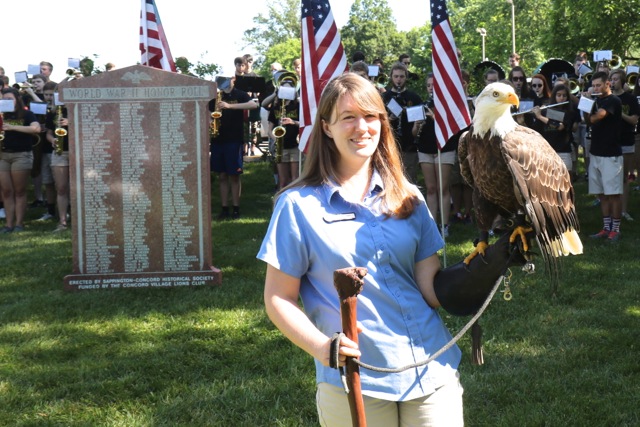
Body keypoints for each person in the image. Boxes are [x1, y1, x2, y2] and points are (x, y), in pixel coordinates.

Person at [257, 73, 526, 426]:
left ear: (383, 123)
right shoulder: (297, 205)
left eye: (371, 116)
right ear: (326, 127)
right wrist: (324, 348)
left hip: (431, 368)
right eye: (347, 117)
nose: (361, 127)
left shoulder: (408, 197)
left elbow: (430, 289)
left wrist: (487, 266)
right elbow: (278, 298)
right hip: (356, 376)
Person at [209, 76, 258, 220]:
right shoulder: (216, 95)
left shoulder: (239, 94)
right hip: (218, 139)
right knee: (222, 175)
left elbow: (253, 105)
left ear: (232, 80)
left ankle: (236, 208)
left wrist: (229, 106)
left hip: (234, 139)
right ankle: (224, 208)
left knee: (234, 175)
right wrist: (212, 120)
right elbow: (208, 111)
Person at [413, 73, 455, 237]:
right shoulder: (421, 106)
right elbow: (414, 134)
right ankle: (432, 226)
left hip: (444, 149)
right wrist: (417, 125)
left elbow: (452, 128)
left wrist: (436, 117)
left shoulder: (446, 107)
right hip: (425, 150)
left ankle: (444, 225)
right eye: (429, 85)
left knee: (443, 188)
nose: (431, 88)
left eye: (434, 85)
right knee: (431, 189)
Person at [584, 71, 624, 241]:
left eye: (598, 85)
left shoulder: (613, 101)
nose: (595, 88)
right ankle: (605, 228)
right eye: (593, 86)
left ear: (608, 84)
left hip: (611, 155)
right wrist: (585, 103)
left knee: (613, 194)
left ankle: (615, 229)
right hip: (596, 153)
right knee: (601, 194)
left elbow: (596, 117)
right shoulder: (597, 100)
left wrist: (586, 102)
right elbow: (587, 120)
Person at [0, 87, 41, 233]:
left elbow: (35, 129)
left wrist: (12, 127)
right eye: (4, 99)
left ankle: (19, 223)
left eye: (9, 99)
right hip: (2, 155)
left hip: (21, 155)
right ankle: (8, 225)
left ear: (17, 99)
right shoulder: (1, 115)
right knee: (6, 191)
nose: (6, 102)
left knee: (19, 191)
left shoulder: (27, 114)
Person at [382, 62, 422, 183]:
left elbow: (419, 127)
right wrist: (388, 120)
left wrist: (416, 126)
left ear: (406, 77)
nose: (399, 79)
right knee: (389, 182)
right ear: (391, 77)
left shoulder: (414, 97)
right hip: (388, 147)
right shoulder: (384, 97)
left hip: (408, 148)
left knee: (409, 182)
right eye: (396, 76)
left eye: (401, 76)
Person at [609, 68, 640, 221]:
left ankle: (623, 210)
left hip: (626, 141)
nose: (613, 82)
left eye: (615, 79)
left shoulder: (630, 99)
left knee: (624, 179)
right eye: (611, 79)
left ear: (622, 81)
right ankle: (610, 212)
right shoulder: (606, 98)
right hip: (609, 142)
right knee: (609, 178)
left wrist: (619, 112)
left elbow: (634, 120)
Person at [532, 84, 578, 177]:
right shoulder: (546, 110)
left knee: (567, 181)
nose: (561, 98)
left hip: (563, 151)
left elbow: (559, 126)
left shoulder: (569, 112)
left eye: (564, 95)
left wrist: (540, 116)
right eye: (559, 95)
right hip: (547, 152)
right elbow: (535, 129)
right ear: (554, 96)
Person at [43, 82, 70, 232]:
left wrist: (70, 122)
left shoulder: (78, 109)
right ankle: (62, 221)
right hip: (60, 151)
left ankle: (80, 218)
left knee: (78, 188)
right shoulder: (53, 112)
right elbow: (48, 133)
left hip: (76, 151)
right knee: (61, 188)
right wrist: (52, 140)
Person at [268, 77, 300, 190]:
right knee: (282, 182)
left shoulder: (298, 105)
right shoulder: (275, 107)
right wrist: (276, 139)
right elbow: (269, 129)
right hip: (281, 147)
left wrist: (293, 122)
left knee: (295, 179)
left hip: (295, 145)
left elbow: (305, 124)